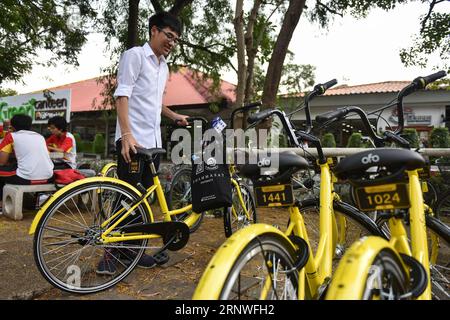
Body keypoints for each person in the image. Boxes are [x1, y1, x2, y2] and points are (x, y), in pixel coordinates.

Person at [96, 11, 189, 275]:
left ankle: (132, 252)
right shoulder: (135, 55)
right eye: (168, 36)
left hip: (153, 143)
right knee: (127, 199)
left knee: (142, 201)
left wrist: (174, 116)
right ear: (154, 31)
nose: (172, 42)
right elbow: (122, 94)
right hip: (133, 142)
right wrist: (126, 135)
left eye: (176, 39)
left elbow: (155, 102)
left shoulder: (163, 66)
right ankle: (109, 255)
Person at [0, 114, 54, 210]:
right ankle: (35, 202)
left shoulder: (11, 136)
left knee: (3, 171)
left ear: (12, 126)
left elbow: (2, 161)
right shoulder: (40, 136)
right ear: (30, 125)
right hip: (48, 177)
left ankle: (1, 203)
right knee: (15, 167)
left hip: (25, 177)